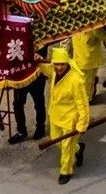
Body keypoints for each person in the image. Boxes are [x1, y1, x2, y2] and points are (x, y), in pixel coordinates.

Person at [38, 48, 90, 185]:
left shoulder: (75, 80)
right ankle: (78, 149)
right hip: (55, 116)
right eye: (57, 64)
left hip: (70, 119)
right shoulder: (54, 72)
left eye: (62, 64)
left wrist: (82, 124)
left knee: (67, 146)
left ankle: (66, 171)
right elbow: (44, 68)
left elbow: (83, 104)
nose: (59, 67)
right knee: (56, 141)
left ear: (67, 63)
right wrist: (36, 58)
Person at [9, 47, 47, 144]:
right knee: (17, 104)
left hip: (36, 72)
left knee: (39, 102)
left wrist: (41, 56)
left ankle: (40, 128)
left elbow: (45, 41)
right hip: (20, 73)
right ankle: (21, 131)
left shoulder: (37, 32)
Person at [71, 28, 106, 101]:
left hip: (89, 62)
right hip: (77, 60)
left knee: (87, 83)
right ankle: (88, 96)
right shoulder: (74, 29)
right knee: (82, 82)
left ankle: (87, 100)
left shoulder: (93, 29)